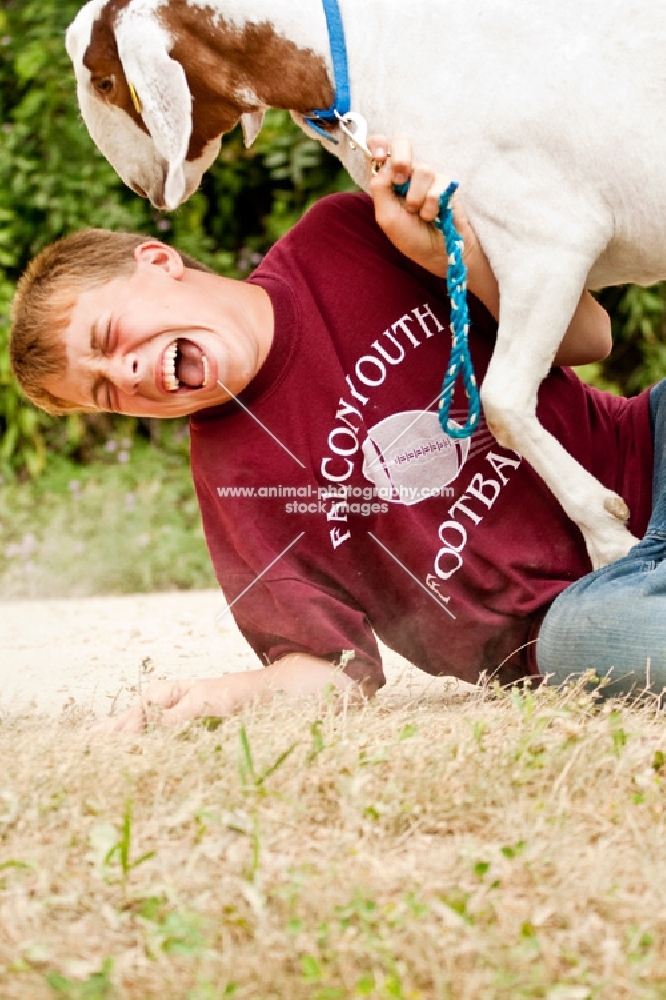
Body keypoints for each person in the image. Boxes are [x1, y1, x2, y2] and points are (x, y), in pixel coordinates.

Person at [9, 137, 662, 732]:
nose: (123, 374)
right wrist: (217, 696)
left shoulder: (343, 235)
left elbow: (590, 337)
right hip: (571, 613)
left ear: (156, 260)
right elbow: (333, 672)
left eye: (106, 337)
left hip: (646, 455)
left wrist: (449, 253)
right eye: (103, 395)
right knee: (603, 645)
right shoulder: (235, 480)